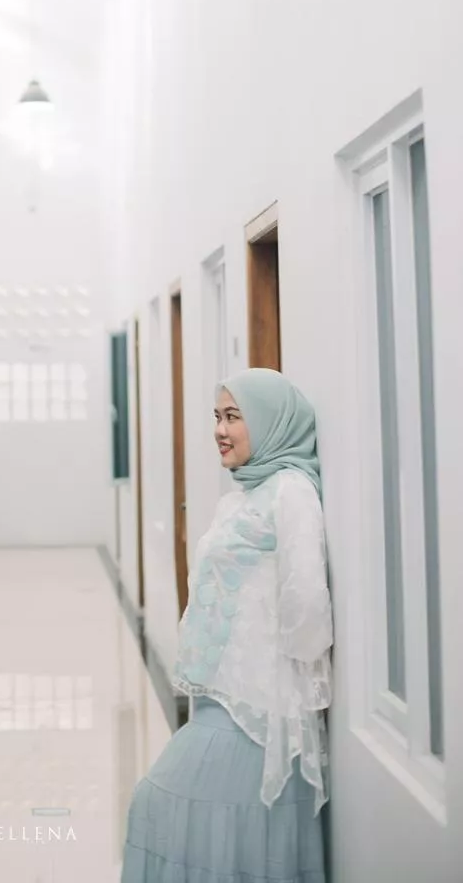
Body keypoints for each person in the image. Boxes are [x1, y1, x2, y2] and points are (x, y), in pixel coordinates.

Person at [122, 367, 332, 883]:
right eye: (217, 416)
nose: (220, 429)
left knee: (170, 807)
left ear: (270, 421)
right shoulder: (240, 496)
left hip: (259, 710)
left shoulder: (291, 491)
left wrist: (278, 679)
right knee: (185, 822)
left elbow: (307, 606)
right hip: (220, 697)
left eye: (234, 417)